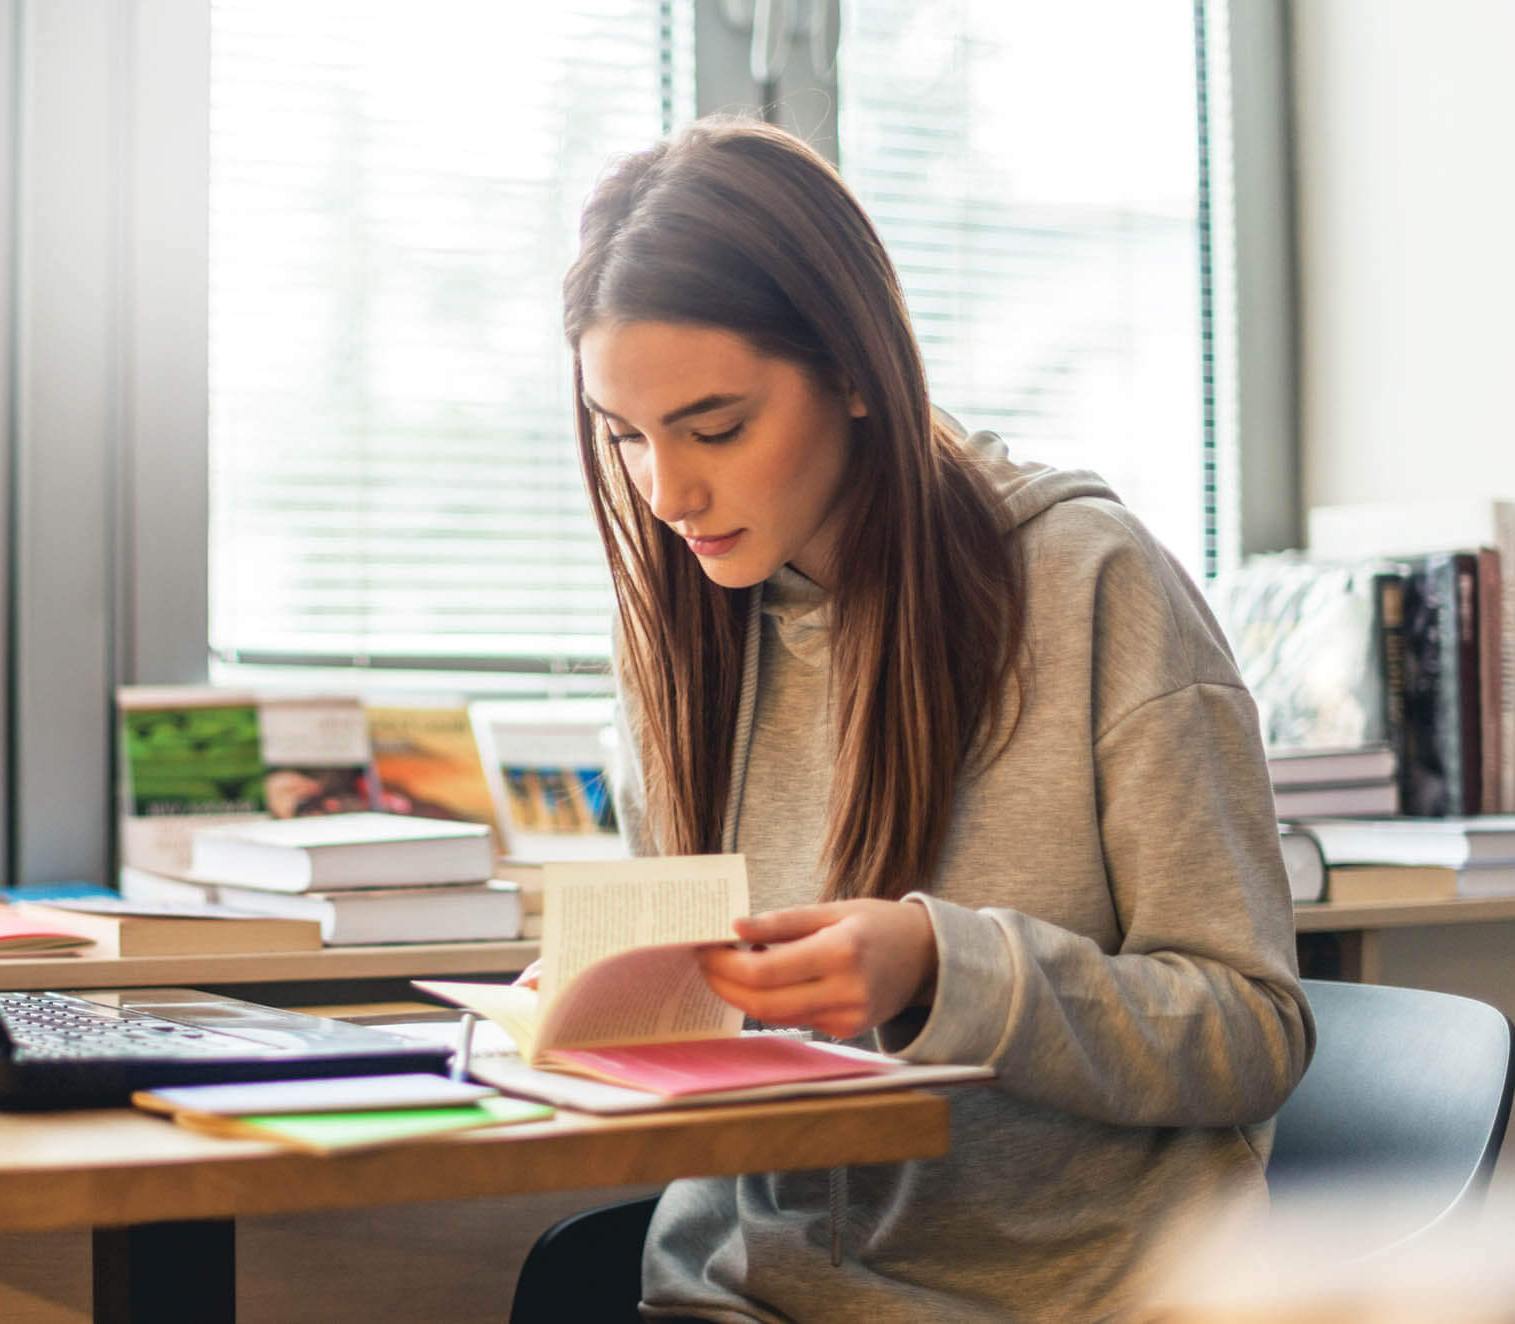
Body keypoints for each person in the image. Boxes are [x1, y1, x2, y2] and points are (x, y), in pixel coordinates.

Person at [556, 117, 1314, 1320]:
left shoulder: (1089, 583)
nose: (667, 492)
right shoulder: (683, 630)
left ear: (856, 371)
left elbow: (1252, 1032)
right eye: (624, 437)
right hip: (735, 1297)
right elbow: (711, 1041)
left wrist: (938, 967)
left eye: (714, 427)